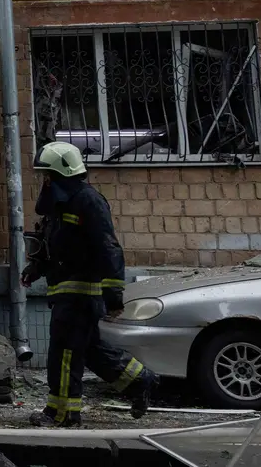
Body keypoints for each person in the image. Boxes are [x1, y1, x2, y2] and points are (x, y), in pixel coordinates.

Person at [23, 141, 157, 428]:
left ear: (61, 172)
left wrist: (113, 295)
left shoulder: (89, 201)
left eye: (46, 174)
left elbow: (108, 248)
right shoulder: (59, 207)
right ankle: (139, 380)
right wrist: (35, 269)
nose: (43, 181)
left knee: (65, 353)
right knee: (90, 351)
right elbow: (52, 247)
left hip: (82, 294)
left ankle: (63, 414)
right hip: (64, 292)